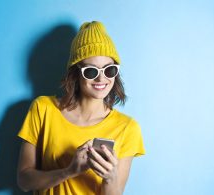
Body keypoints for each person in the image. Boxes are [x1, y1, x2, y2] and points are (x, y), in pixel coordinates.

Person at [17, 21, 145, 195]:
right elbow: (24, 181)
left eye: (109, 70)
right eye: (91, 71)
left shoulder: (127, 128)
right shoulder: (43, 109)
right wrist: (68, 171)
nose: (101, 79)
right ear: (76, 73)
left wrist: (110, 177)